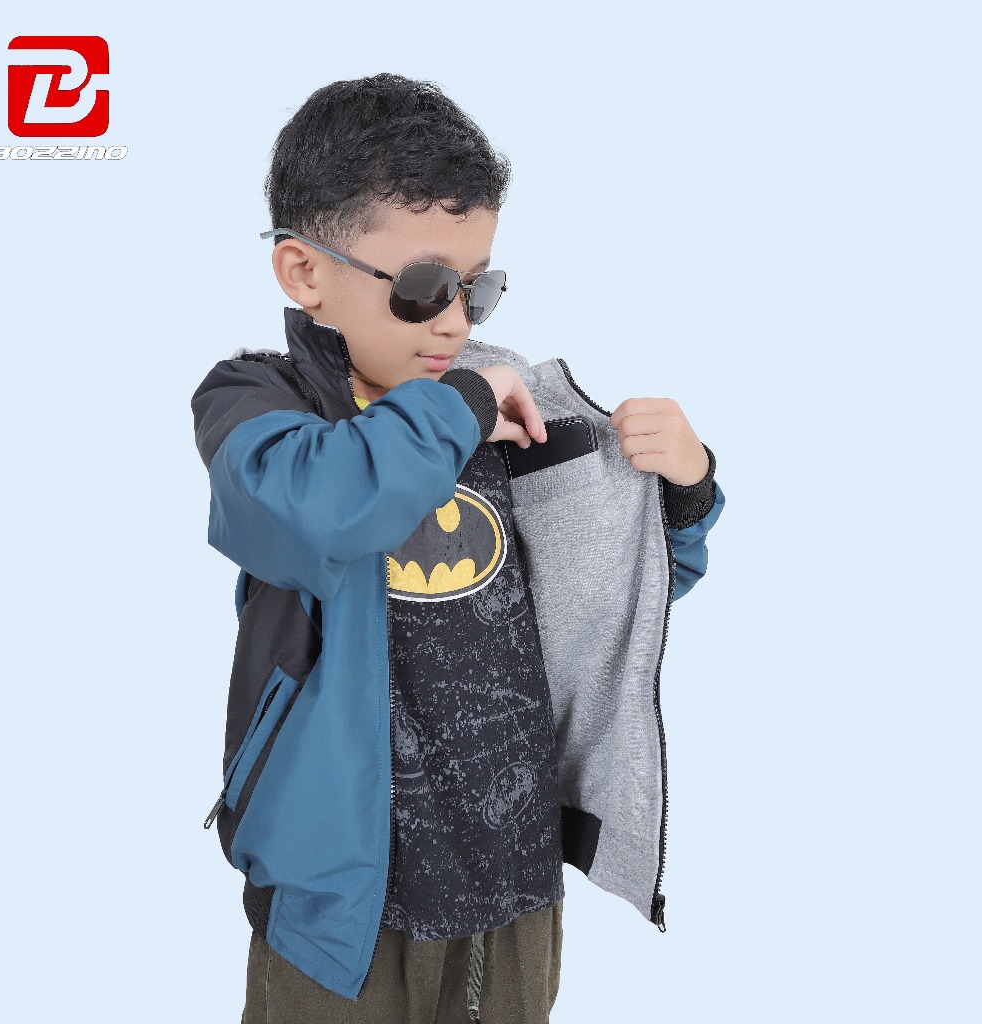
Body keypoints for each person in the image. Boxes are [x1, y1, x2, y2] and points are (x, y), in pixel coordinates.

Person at [191, 72, 725, 1024]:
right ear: (305, 273)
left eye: (478, 287)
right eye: (427, 287)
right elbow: (317, 507)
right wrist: (464, 405)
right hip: (342, 898)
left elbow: (615, 596)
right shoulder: (260, 406)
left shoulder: (510, 406)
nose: (457, 322)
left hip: (509, 879)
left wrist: (686, 488)